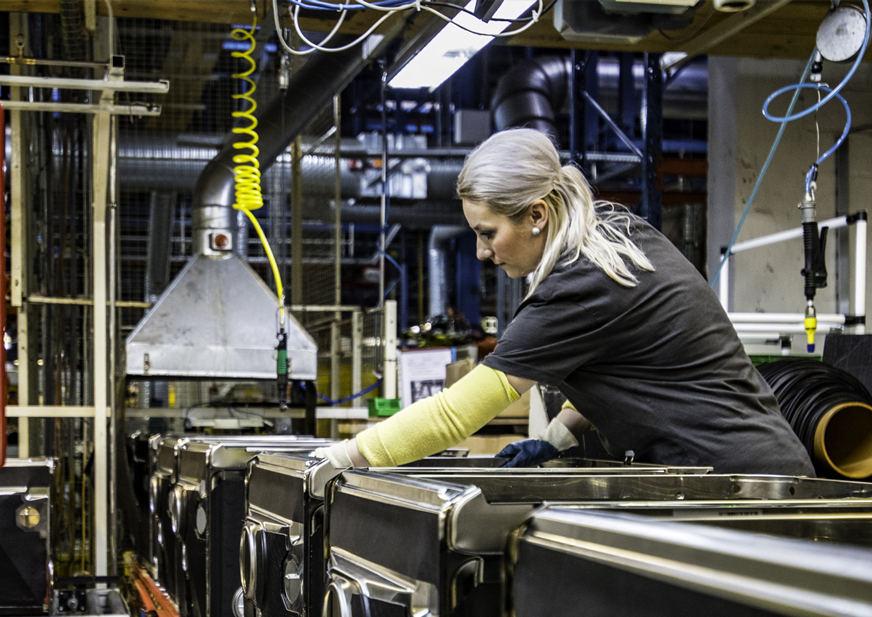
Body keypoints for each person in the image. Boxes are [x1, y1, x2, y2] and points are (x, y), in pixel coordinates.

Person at [320, 129, 813, 476]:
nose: (481, 252)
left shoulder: (580, 283)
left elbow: (456, 414)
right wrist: (555, 439)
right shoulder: (617, 233)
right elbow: (623, 369)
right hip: (751, 468)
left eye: (488, 233)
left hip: (739, 484)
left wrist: (340, 460)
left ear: (536, 214)